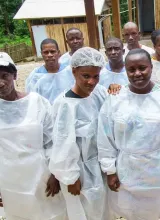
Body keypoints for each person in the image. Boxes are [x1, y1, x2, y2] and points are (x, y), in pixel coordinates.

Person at [97, 48, 160, 220]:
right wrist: (110, 171)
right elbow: (105, 138)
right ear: (125, 71)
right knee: (135, 212)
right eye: (131, 70)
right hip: (129, 172)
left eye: (142, 68)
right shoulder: (115, 99)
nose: (137, 73)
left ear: (151, 67)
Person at [0, 52, 67, 219]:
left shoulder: (37, 103)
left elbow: (52, 140)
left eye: (5, 76)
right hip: (10, 180)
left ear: (15, 75)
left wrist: (55, 174)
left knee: (51, 213)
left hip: (41, 176)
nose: (0, 83)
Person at [49, 47, 108, 220]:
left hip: (99, 169)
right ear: (74, 72)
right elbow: (62, 144)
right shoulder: (65, 104)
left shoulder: (99, 93)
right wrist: (70, 177)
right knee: (81, 214)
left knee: (101, 211)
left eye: (96, 76)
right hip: (79, 174)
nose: (91, 82)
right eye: (86, 76)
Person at [25, 38, 74, 104]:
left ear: (58, 53)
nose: (49, 55)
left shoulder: (69, 71)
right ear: (41, 54)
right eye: (46, 52)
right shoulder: (36, 75)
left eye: (52, 51)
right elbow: (32, 99)